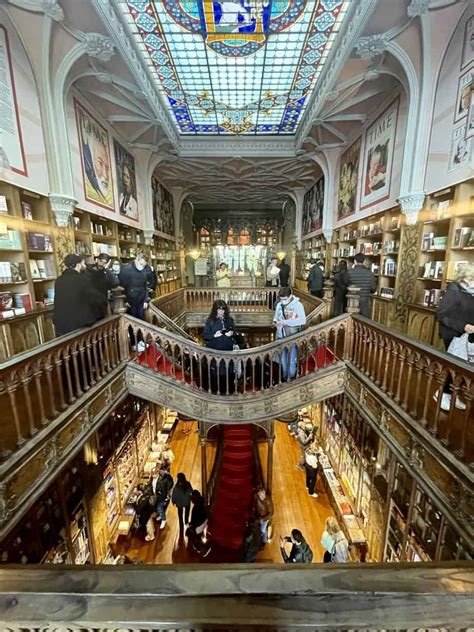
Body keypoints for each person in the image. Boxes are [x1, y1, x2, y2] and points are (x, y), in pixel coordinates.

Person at [436, 262, 474, 411]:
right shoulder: (454, 290)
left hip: (468, 335)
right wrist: (463, 326)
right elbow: (441, 315)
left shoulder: (471, 291)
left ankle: (453, 394)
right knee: (455, 366)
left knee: (464, 367)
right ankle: (442, 394)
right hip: (453, 333)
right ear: (465, 278)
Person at [53, 254, 103, 337]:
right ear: (78, 265)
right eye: (83, 263)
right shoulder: (82, 280)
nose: (85, 266)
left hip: (62, 325)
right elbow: (94, 298)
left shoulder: (59, 280)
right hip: (79, 324)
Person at [273, 287, 307, 380]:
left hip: (292, 336)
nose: (282, 301)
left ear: (290, 296)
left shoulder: (298, 305)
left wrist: (286, 322)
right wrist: (276, 323)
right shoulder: (279, 305)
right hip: (281, 335)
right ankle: (285, 377)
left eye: (284, 299)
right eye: (281, 299)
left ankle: (291, 379)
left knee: (291, 360)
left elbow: (302, 320)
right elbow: (275, 318)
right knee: (283, 360)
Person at [119, 253, 149, 351]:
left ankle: (140, 341)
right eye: (141, 264)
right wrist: (125, 300)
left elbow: (145, 286)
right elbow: (121, 287)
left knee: (141, 322)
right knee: (132, 324)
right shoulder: (126, 270)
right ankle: (133, 344)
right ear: (136, 260)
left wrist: (146, 300)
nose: (142, 267)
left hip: (141, 301)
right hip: (130, 302)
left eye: (144, 265)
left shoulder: (143, 270)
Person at [85, 253, 119, 320]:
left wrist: (107, 270)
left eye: (105, 263)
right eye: (101, 261)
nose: (102, 264)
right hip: (90, 304)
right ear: (97, 260)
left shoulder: (105, 272)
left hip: (102, 303)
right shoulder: (88, 271)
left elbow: (116, 282)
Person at [348, 252, 377, 318]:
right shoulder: (370, 273)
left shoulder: (349, 272)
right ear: (363, 261)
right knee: (364, 322)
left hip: (351, 302)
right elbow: (373, 289)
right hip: (364, 301)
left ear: (355, 261)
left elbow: (344, 286)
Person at [187, 490, 210, 557]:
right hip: (205, 521)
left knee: (193, 535)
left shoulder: (195, 508)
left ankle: (199, 548)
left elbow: (194, 521)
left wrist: (190, 526)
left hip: (199, 526)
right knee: (198, 535)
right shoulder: (202, 501)